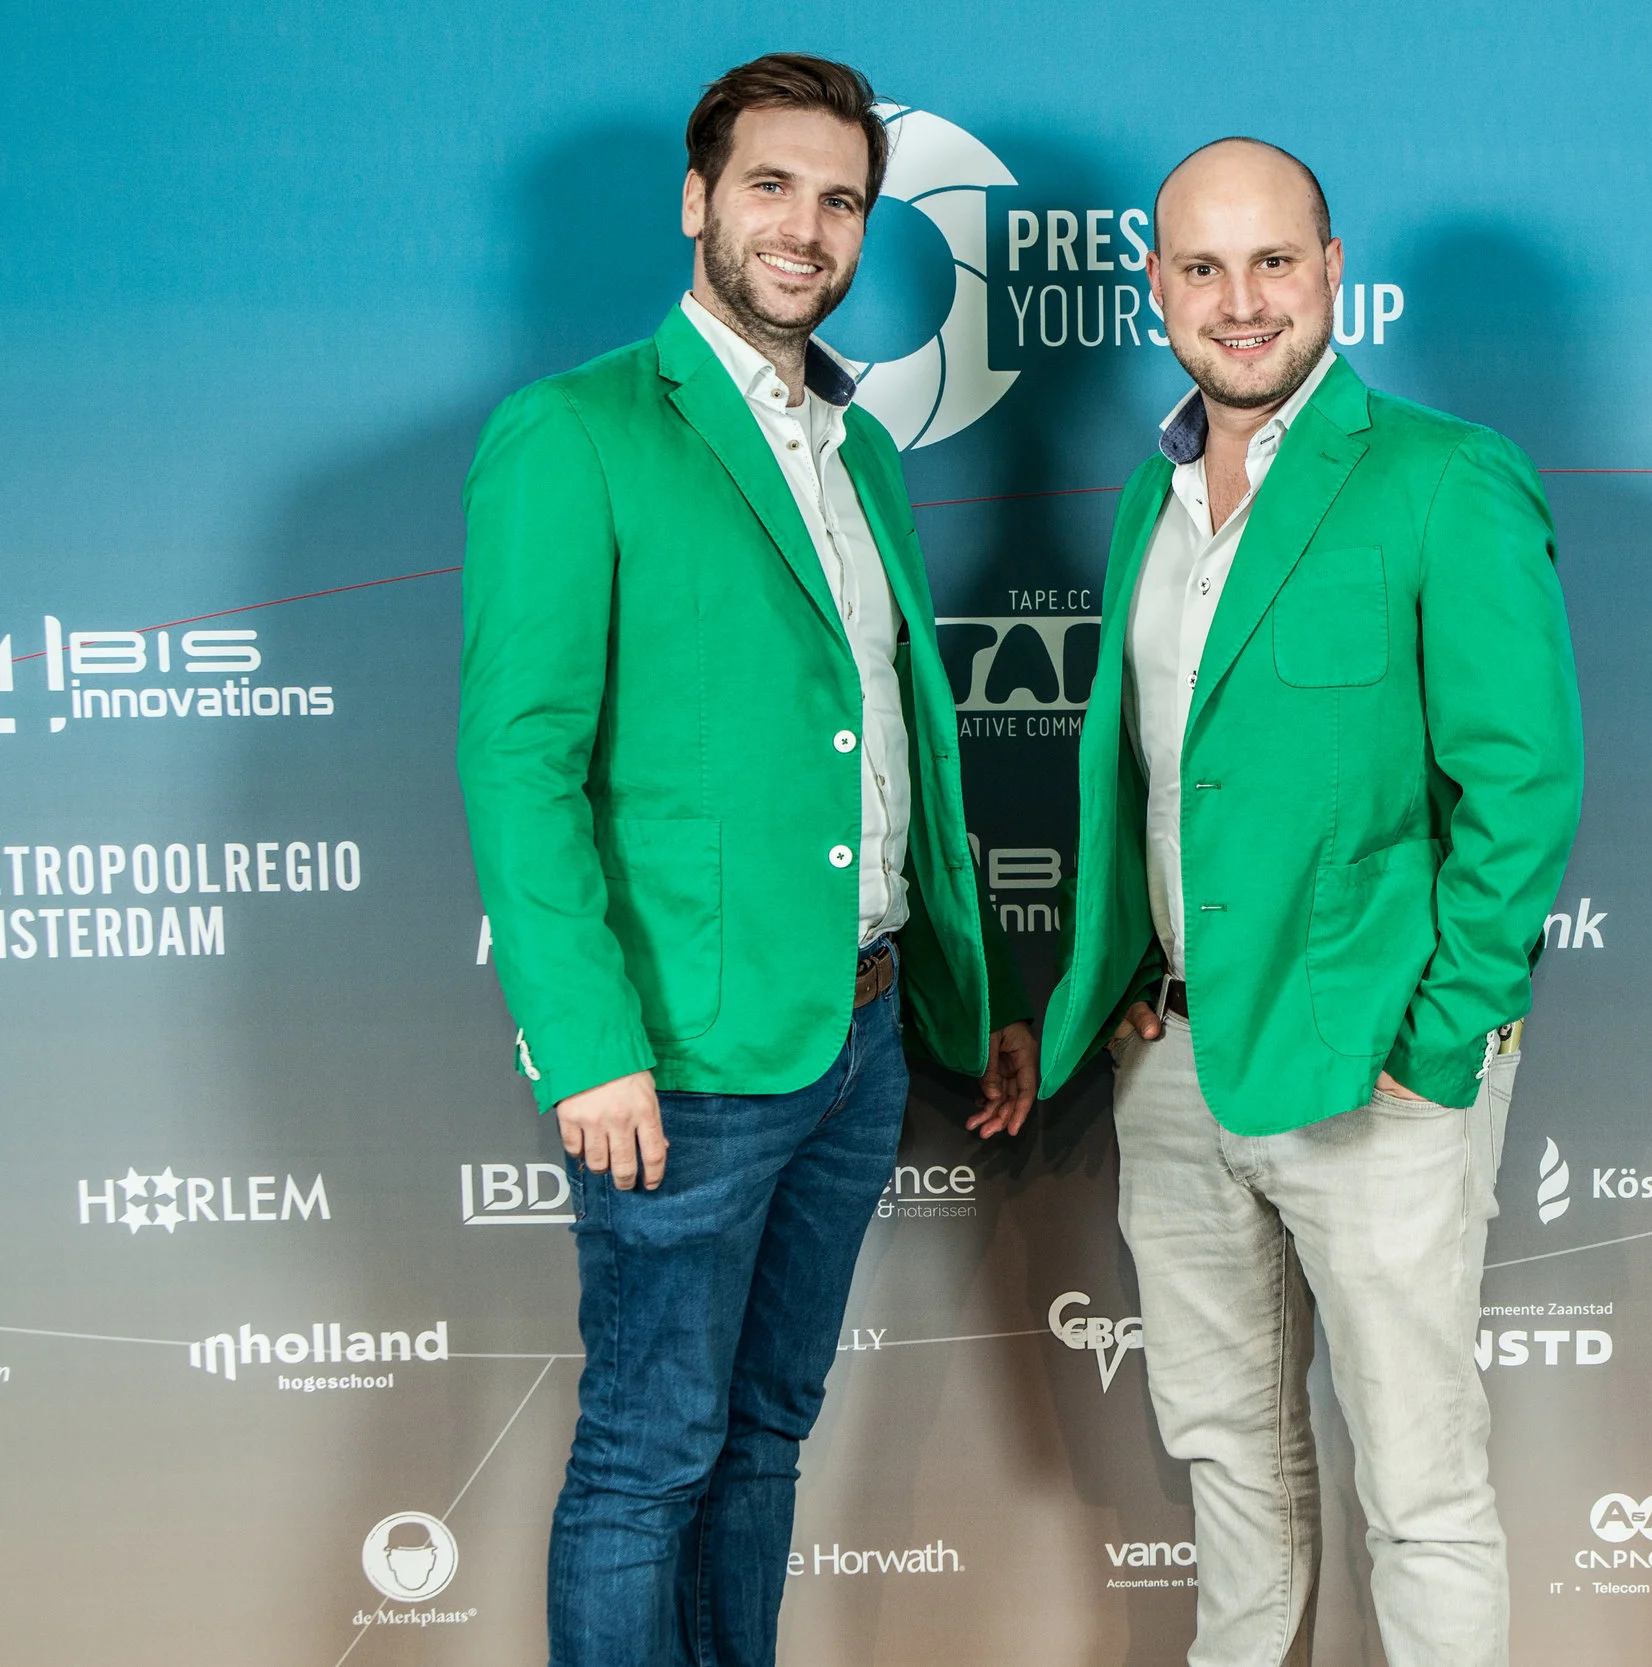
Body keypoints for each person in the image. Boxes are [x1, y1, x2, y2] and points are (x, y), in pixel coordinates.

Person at [457, 53, 1036, 1666]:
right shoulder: (574, 432)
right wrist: (585, 1041)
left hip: (858, 1031)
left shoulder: (860, 451)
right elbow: (519, 760)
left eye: (841, 200)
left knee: (765, 1433)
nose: (807, 227)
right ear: (697, 201)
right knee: (648, 1455)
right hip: (685, 1052)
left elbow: (891, 741)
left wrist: (962, 988)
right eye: (771, 186)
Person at [1037, 137, 1583, 1667]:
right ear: (1157, 288)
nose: (1242, 301)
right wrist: (1125, 993)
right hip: (1176, 1063)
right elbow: (1160, 776)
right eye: (1204, 268)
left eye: (1274, 261)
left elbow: (1523, 782)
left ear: (1333, 271)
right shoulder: (1151, 502)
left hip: (1374, 1063)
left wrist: (1443, 1035)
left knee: (1420, 1487)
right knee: (1228, 1461)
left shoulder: (1444, 476)